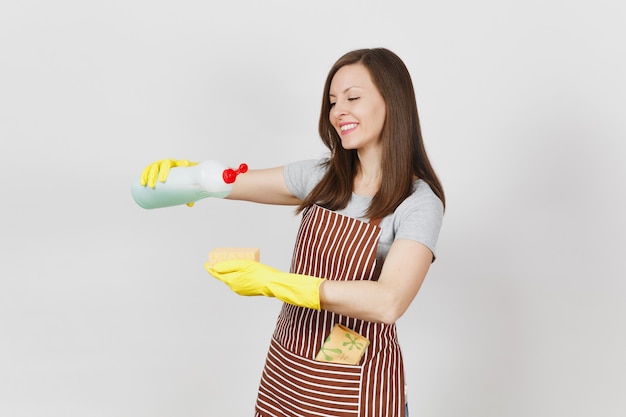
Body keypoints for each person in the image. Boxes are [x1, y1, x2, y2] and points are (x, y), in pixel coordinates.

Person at [138, 48, 445, 417]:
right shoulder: (324, 178)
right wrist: (188, 177)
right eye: (333, 101)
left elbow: (388, 301)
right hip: (290, 371)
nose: (338, 111)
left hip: (353, 380)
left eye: (353, 98)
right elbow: (226, 184)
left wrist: (275, 282)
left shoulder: (418, 202)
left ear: (392, 102)